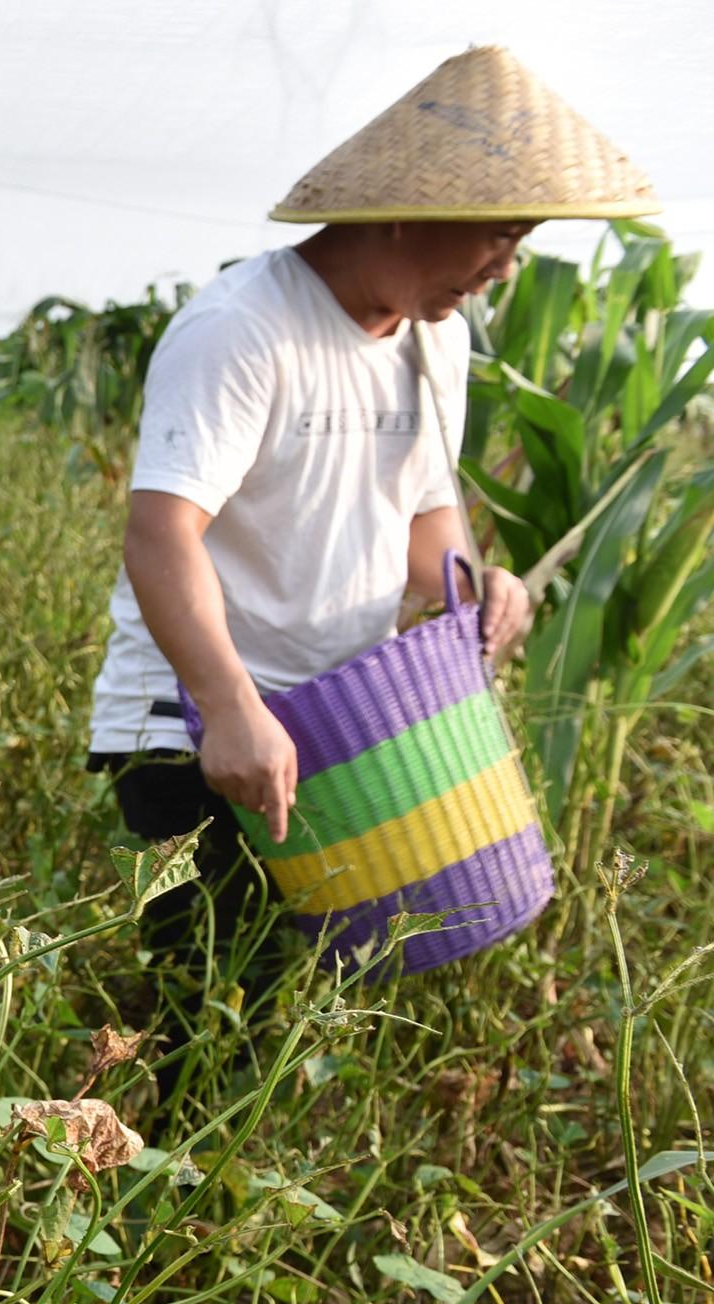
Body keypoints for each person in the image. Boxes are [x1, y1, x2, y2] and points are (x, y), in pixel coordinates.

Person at [85, 44, 654, 1095]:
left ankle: (196, 1219)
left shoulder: (434, 340)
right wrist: (232, 708)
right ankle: (149, 1234)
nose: (504, 268)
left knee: (284, 1005)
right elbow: (159, 532)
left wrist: (474, 587)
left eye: (521, 243)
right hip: (194, 725)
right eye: (498, 234)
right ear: (403, 209)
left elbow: (427, 518)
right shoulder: (243, 330)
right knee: (217, 1009)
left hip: (335, 732)